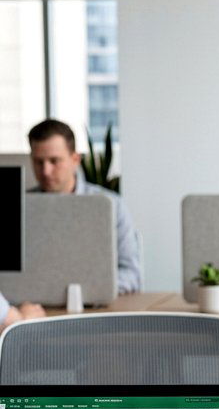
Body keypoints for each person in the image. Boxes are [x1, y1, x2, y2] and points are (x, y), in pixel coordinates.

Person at [27, 119, 142, 295]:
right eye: (38, 162)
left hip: (96, 305)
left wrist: (87, 292)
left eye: (54, 161)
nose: (46, 171)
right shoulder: (22, 208)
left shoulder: (110, 205)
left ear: (75, 159)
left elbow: (131, 274)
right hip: (34, 305)